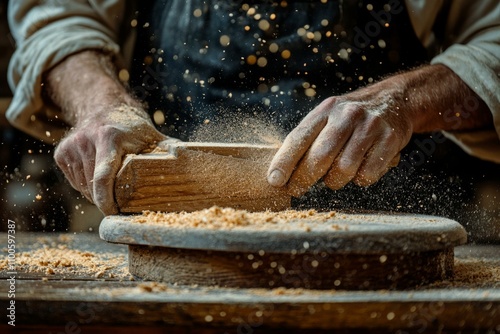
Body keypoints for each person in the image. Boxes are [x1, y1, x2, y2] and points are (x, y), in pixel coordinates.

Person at [6, 0, 500, 216]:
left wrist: (404, 100)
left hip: (388, 233)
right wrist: (101, 105)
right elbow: (61, 17)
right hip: (165, 240)